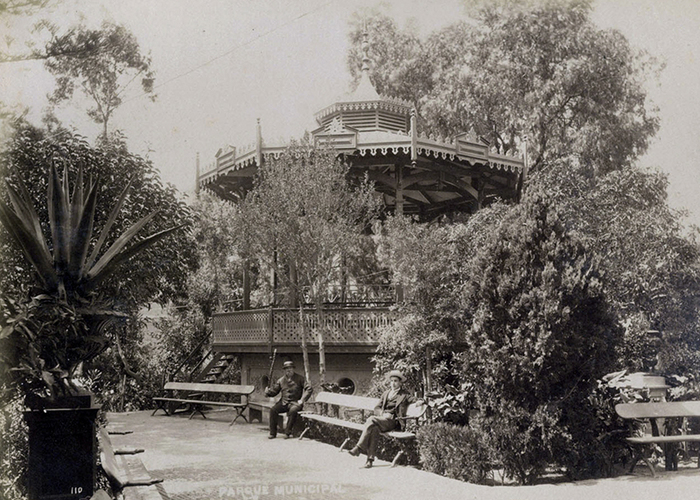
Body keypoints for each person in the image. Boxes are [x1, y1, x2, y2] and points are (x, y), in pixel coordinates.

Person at [348, 370, 422, 468]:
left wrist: (419, 402)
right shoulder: (386, 393)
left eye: (396, 381)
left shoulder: (404, 394)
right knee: (374, 428)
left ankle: (359, 447)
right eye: (392, 381)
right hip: (383, 420)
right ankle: (370, 460)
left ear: (400, 383)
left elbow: (415, 399)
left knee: (371, 419)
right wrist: (383, 414)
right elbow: (377, 408)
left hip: (393, 422)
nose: (393, 383)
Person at [264, 360, 313, 439]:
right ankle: (272, 433)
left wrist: (302, 400)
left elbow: (309, 389)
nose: (288, 370)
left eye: (290, 368)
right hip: (283, 403)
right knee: (273, 410)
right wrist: (268, 392)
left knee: (293, 411)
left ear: (293, 369)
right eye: (286, 368)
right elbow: (274, 391)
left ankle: (287, 432)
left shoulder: (300, 378)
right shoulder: (281, 380)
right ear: (284, 370)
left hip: (295, 403)